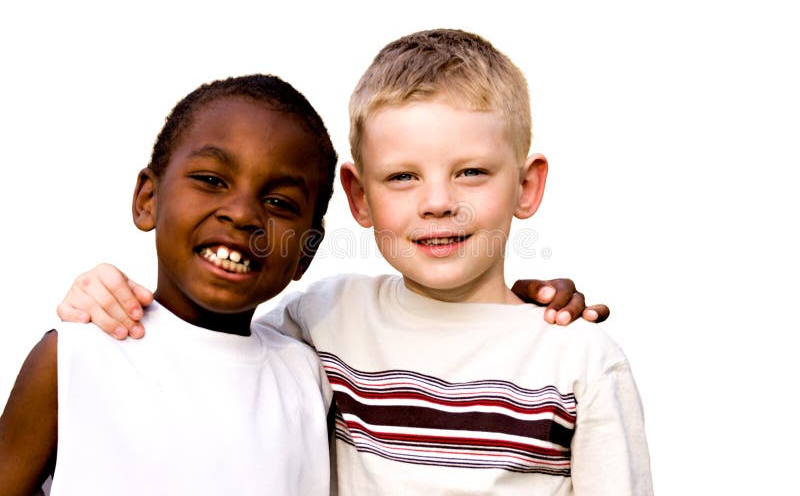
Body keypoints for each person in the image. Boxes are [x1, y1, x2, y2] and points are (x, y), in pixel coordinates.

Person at [56, 29, 642, 495]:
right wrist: (101, 290)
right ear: (360, 197)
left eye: (471, 172)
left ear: (527, 185)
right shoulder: (323, 319)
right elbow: (209, 351)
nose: (437, 202)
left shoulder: (580, 359)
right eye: (403, 177)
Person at [0, 74, 338, 496]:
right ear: (148, 199)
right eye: (212, 180)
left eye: (279, 203)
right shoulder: (74, 356)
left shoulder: (307, 378)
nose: (242, 214)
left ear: (305, 250)